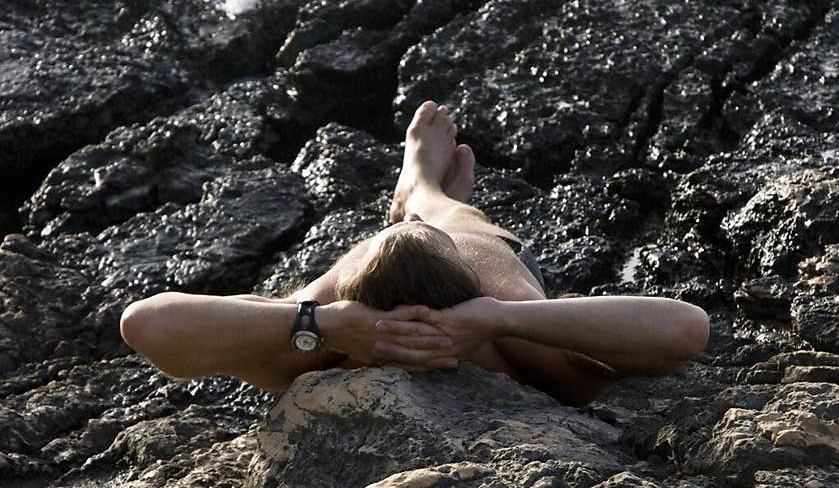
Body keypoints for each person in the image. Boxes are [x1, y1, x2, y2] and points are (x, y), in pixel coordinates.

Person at [120, 101, 709, 405]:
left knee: (451, 229)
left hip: (441, 288)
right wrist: (502, 316)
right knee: (463, 229)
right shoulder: (520, 339)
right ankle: (424, 198)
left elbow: (145, 323)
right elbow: (684, 329)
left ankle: (420, 192)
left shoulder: (301, 352)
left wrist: (314, 318)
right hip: (470, 280)